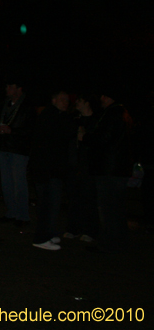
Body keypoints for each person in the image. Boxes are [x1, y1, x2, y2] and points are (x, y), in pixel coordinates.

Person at [83, 87, 134, 253]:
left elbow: (104, 138)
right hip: (119, 169)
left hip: (109, 169)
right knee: (117, 208)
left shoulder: (112, 114)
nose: (101, 99)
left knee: (108, 208)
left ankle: (108, 244)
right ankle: (120, 242)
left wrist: (86, 137)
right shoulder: (123, 113)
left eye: (104, 96)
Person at [28, 90, 72, 250]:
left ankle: (48, 233)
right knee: (48, 204)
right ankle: (41, 237)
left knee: (51, 203)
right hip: (48, 170)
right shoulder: (52, 117)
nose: (65, 103)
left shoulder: (53, 116)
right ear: (54, 100)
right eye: (62, 99)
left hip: (49, 169)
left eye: (67, 100)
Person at [0, 80, 35, 227]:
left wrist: (12, 131)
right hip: (4, 147)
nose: (7, 89)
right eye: (7, 86)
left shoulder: (27, 106)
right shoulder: (4, 104)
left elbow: (31, 129)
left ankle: (23, 216)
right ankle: (11, 212)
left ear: (19, 89)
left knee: (19, 184)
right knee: (6, 183)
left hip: (19, 148)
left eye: (11, 86)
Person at [63, 94, 100, 242]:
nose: (76, 103)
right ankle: (73, 228)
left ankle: (89, 230)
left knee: (89, 199)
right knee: (73, 198)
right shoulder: (74, 120)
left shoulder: (96, 121)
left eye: (79, 100)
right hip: (74, 165)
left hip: (89, 166)